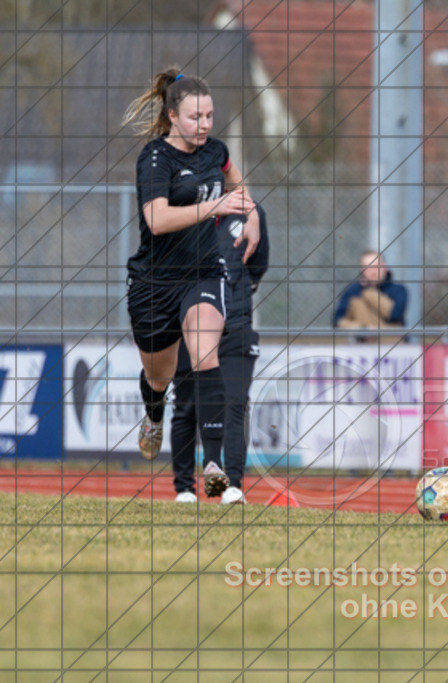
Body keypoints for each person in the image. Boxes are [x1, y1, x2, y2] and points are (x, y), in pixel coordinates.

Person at [122, 67, 260, 499]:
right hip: (153, 284)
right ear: (172, 116)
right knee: (159, 377)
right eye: (195, 118)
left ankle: (216, 465)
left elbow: (237, 181)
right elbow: (157, 220)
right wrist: (216, 205)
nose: (203, 125)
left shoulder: (215, 151)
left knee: (204, 353)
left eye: (209, 116)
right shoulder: (155, 159)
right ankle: (152, 412)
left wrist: (251, 213)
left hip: (203, 273)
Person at [170, 204, 270, 504]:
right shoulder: (182, 208)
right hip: (191, 325)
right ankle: (185, 489)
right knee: (187, 405)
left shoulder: (251, 213)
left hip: (236, 326)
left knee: (235, 403)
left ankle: (233, 484)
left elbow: (259, 265)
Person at [334, 250, 408, 336]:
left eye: (377, 266)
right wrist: (363, 329)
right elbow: (337, 321)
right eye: (368, 267)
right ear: (362, 270)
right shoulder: (352, 291)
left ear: (385, 267)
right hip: (360, 344)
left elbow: (394, 315)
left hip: (390, 342)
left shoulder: (398, 290)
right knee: (358, 304)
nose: (373, 272)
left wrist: (368, 291)